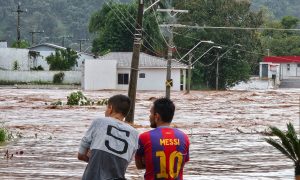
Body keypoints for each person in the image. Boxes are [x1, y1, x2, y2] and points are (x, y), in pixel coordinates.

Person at [78, 94, 139, 180]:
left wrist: (95, 158)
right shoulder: (135, 134)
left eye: (106, 108)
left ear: (110, 108)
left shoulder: (99, 122)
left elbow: (81, 155)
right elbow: (124, 164)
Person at [135, 98, 190, 180]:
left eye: (151, 113)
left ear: (156, 116)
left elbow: (139, 166)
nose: (149, 116)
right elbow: (182, 163)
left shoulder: (144, 137)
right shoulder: (184, 137)